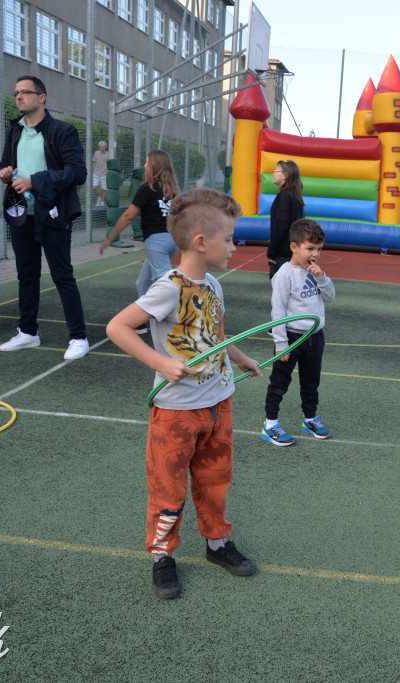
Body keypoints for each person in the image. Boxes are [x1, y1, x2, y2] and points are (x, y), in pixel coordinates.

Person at [105, 188, 262, 600]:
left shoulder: (212, 284)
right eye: (228, 238)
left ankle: (216, 545)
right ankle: (162, 557)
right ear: (201, 242)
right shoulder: (168, 287)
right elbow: (117, 328)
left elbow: (214, 334)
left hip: (217, 405)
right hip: (176, 412)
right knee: (167, 487)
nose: (233, 245)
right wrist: (160, 363)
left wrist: (241, 357)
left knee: (215, 481)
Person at [0, 75, 89, 360]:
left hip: (53, 213)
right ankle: (28, 332)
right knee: (27, 274)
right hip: (21, 214)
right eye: (16, 92)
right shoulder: (14, 131)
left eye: (25, 92)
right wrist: (4, 172)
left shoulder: (62, 130)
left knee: (62, 275)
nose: (19, 97)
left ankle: (79, 337)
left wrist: (35, 181)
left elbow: (77, 173)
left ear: (42, 97)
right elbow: (6, 165)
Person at [261, 219, 336, 447]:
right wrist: (281, 343)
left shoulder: (316, 272)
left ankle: (310, 419)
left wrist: (321, 277)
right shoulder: (284, 274)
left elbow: (330, 297)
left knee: (311, 381)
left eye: (319, 249)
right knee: (279, 382)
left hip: (315, 337)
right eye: (310, 248)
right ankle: (270, 423)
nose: (315, 254)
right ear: (294, 247)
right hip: (292, 338)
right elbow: (278, 310)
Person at [100, 150, 179, 306]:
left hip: (156, 242)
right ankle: (141, 323)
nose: (144, 165)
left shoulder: (147, 188)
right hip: (172, 241)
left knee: (164, 283)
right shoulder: (172, 190)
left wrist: (110, 238)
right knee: (142, 284)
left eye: (147, 162)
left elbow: (129, 216)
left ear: (154, 166)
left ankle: (177, 319)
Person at [267, 159, 304, 279]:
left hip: (282, 254)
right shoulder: (295, 195)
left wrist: (272, 250)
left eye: (276, 170)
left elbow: (281, 224)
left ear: (285, 175)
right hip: (293, 252)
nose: (273, 173)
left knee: (281, 291)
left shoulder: (284, 195)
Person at [91, 141, 108, 207]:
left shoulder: (108, 154)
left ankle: (102, 203)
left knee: (104, 189)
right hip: (96, 173)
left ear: (105, 147)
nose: (102, 149)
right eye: (101, 147)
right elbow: (94, 162)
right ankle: (98, 199)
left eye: (103, 147)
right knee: (94, 187)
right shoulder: (96, 153)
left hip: (104, 173)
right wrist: (93, 171)